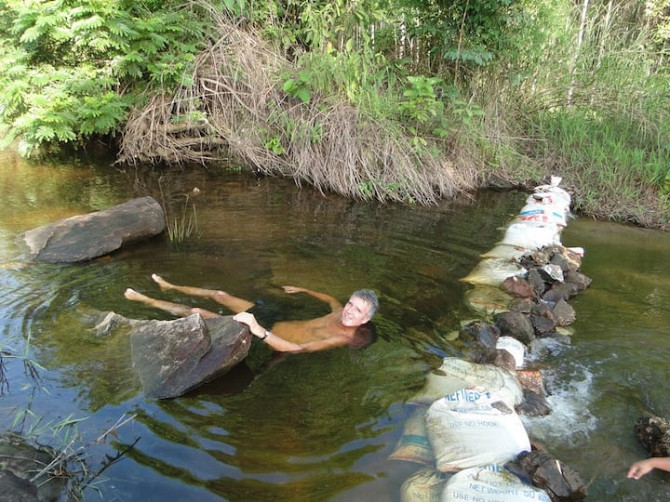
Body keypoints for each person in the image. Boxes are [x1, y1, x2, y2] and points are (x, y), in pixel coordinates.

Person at [124, 274, 379, 353]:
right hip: (273, 319)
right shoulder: (339, 311)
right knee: (220, 294)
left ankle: (147, 300)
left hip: (265, 334)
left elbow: (297, 349)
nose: (349, 311)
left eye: (357, 310)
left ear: (365, 319)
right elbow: (330, 299)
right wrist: (304, 289)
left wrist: (258, 330)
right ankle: (171, 285)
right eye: (350, 304)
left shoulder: (343, 338)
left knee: (197, 311)